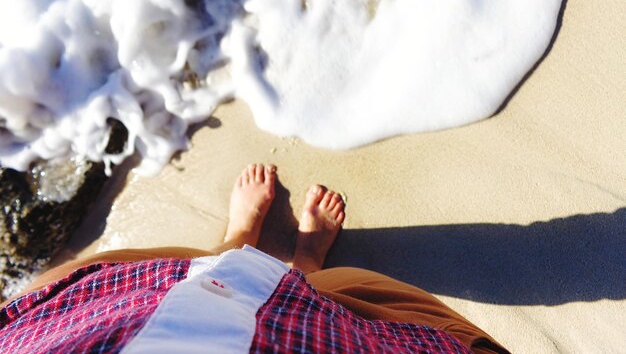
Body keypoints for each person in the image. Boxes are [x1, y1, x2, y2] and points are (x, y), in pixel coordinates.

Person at [0, 165, 509, 353]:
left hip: (108, 314)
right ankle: (307, 265)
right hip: (348, 340)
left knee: (202, 272)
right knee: (340, 292)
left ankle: (237, 240)